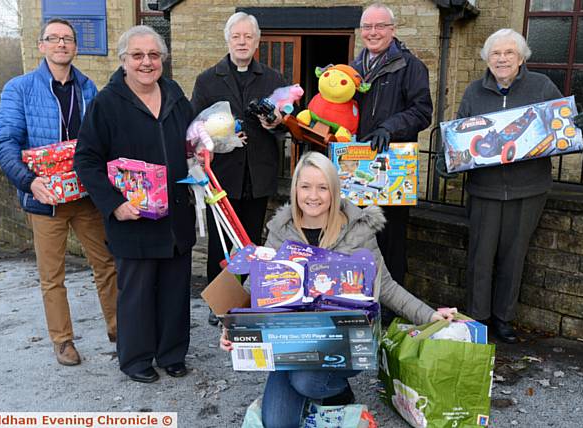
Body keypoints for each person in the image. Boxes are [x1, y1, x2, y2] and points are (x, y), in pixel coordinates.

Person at [220, 152, 453, 428]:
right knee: (278, 422)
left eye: (322, 187)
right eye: (305, 186)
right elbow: (256, 288)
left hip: (343, 342)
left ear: (334, 190)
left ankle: (337, 391)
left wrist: (429, 316)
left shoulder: (357, 230)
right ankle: (316, 393)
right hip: (292, 343)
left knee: (306, 380)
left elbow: (386, 285)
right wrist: (232, 327)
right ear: (295, 189)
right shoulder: (281, 231)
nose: (313, 196)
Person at [435, 29, 583, 343]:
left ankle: (504, 319)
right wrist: (447, 161)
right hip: (485, 189)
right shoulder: (473, 92)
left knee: (514, 255)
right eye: (496, 53)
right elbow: (459, 137)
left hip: (529, 188)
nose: (502, 59)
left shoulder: (541, 86)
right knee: (480, 258)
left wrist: (581, 127)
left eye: (509, 53)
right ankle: (478, 319)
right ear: (487, 59)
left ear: (521, 58)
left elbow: (563, 127)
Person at [74, 25, 196, 383]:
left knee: (175, 290)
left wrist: (203, 151)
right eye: (138, 55)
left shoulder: (173, 93)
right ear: (124, 60)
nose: (147, 62)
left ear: (163, 60)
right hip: (133, 217)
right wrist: (113, 204)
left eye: (154, 55)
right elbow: (86, 160)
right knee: (137, 294)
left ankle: (172, 353)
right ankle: (136, 359)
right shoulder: (106, 103)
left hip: (175, 214)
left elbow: (190, 140)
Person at [0, 18, 117, 367]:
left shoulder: (88, 87)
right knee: (52, 276)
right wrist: (29, 182)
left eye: (68, 39)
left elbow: (100, 140)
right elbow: (4, 143)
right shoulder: (20, 88)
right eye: (54, 38)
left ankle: (120, 331)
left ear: (75, 47)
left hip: (85, 196)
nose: (62, 44)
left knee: (106, 264)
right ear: (42, 45)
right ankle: (63, 341)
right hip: (44, 199)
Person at [191, 12, 286, 326]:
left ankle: (242, 299)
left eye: (248, 37)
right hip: (222, 177)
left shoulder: (272, 78)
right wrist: (221, 139)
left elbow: (286, 125)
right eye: (237, 36)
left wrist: (276, 123)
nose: (242, 42)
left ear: (257, 41)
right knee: (220, 243)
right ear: (228, 40)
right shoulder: (207, 80)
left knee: (251, 243)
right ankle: (218, 302)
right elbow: (195, 129)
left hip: (258, 176)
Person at [350, 3, 433, 325]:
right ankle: (359, 304)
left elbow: (422, 111)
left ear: (392, 30)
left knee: (390, 240)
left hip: (392, 168)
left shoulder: (410, 66)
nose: (373, 32)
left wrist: (390, 127)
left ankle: (390, 315)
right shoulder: (353, 69)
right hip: (356, 166)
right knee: (356, 237)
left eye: (379, 26)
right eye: (367, 27)